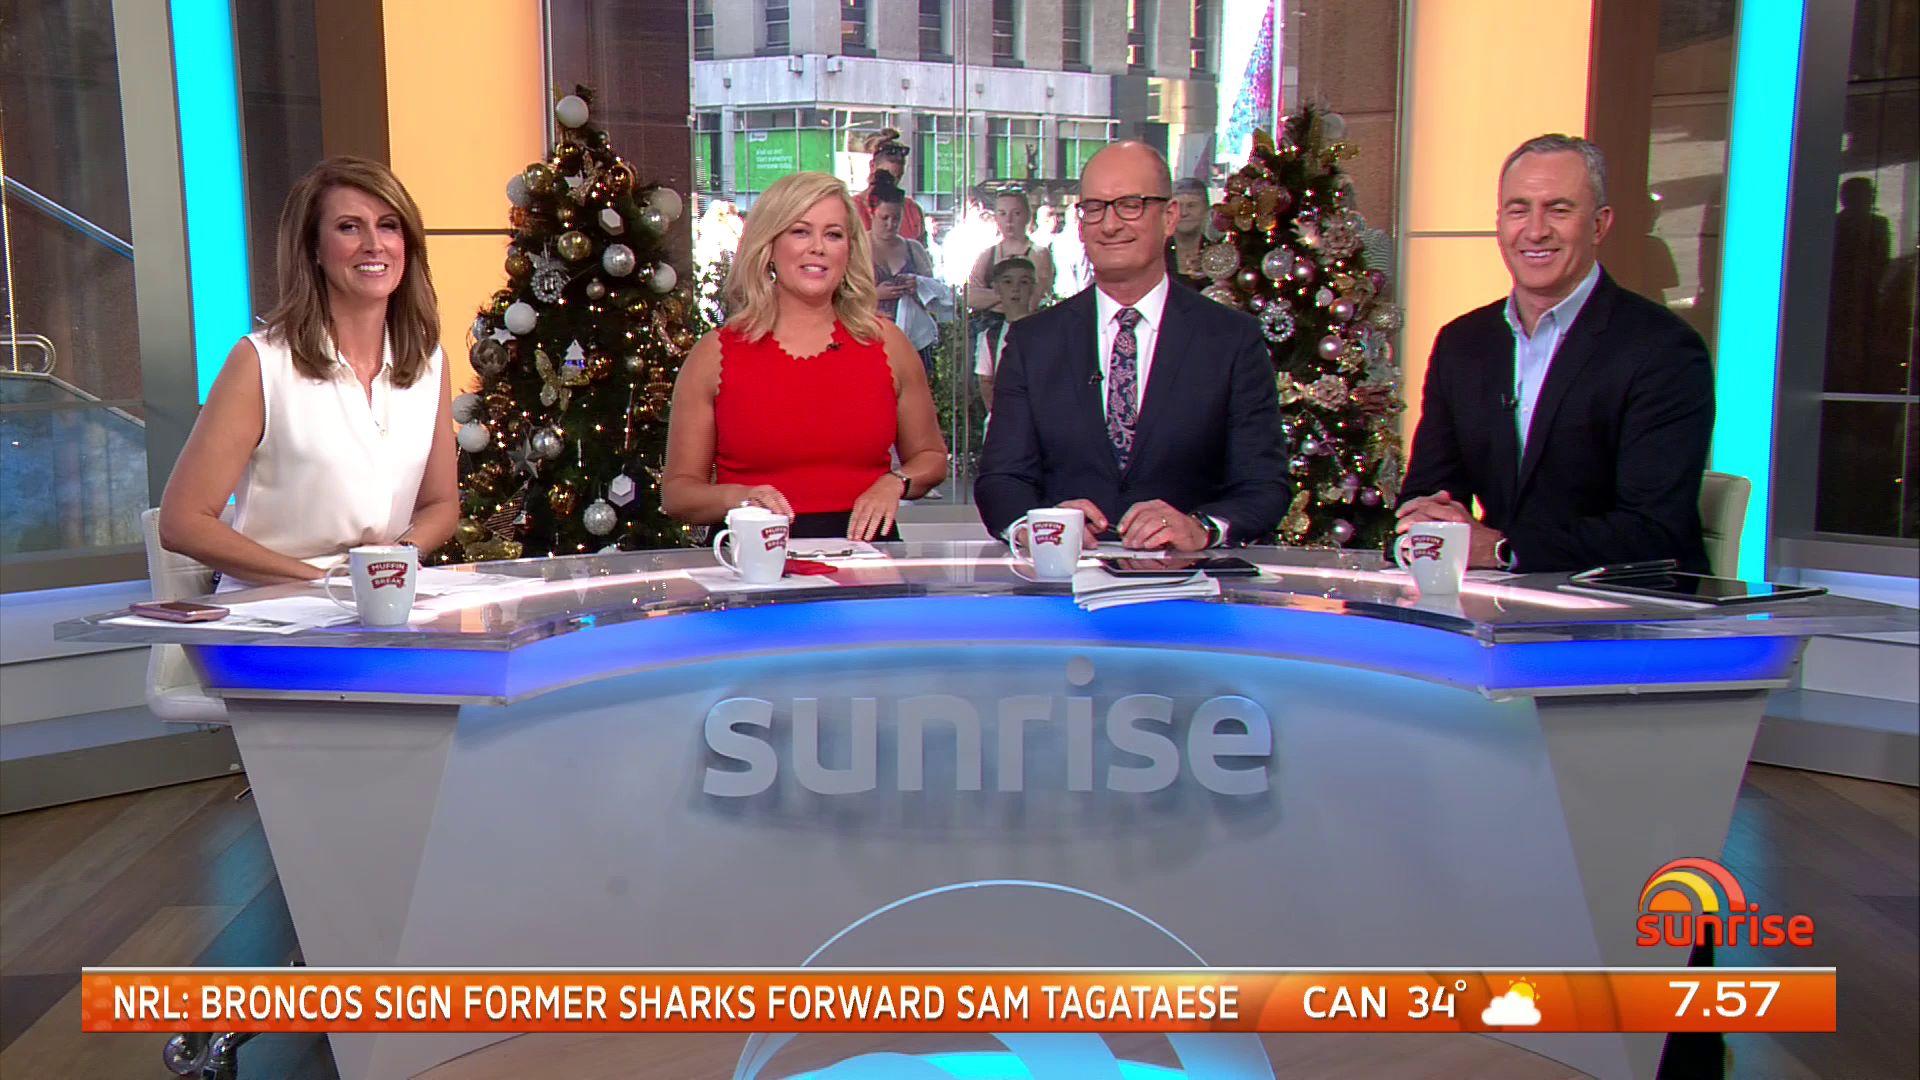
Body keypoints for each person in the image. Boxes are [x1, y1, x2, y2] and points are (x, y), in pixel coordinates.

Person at [1398, 134, 1714, 574]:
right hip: (1498, 598)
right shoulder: (1463, 343)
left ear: (1599, 225)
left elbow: (1654, 529)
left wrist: (1501, 550)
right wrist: (1425, 521)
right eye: (1519, 210)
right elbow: (1432, 491)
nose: (1535, 230)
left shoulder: (1664, 350)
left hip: (1629, 603)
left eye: (1558, 210)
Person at [974, 141, 1288, 550]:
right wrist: (1037, 527)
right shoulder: (1034, 342)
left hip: (1189, 578)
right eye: (1094, 208)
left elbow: (1263, 484)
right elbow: (1001, 479)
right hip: (1066, 575)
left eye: (1130, 205)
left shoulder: (1230, 339)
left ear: (1169, 216)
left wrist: (1202, 528)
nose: (1109, 225)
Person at [157, 156, 456, 586]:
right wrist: (323, 582)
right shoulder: (260, 362)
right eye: (349, 227)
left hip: (382, 596)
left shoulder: (429, 363)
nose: (374, 244)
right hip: (276, 606)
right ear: (313, 249)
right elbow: (182, 522)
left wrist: (395, 560)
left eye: (388, 226)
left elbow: (440, 504)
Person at [662, 171, 948, 541]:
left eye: (834, 235)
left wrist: (896, 482)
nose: (818, 248)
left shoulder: (888, 344)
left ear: (849, 250)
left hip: (866, 556)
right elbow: (679, 493)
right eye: (800, 232)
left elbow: (931, 458)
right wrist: (742, 498)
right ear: (769, 245)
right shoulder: (715, 355)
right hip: (755, 555)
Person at [866, 172, 952, 374]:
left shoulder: (913, 249)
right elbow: (838, 297)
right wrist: (874, 294)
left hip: (913, 342)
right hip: (870, 338)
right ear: (871, 213)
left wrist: (918, 287)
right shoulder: (854, 249)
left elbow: (934, 295)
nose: (890, 224)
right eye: (884, 218)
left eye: (896, 218)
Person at [967, 188, 1056, 310]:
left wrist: (989, 297)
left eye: (1016, 213)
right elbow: (970, 297)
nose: (1009, 220)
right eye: (1002, 214)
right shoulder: (987, 254)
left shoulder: (1039, 254)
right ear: (996, 217)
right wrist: (1010, 296)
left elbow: (1032, 301)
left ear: (1027, 216)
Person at [973, 255, 1038, 412]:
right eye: (1008, 282)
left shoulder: (1047, 332)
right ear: (996, 288)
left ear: (1033, 287)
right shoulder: (990, 337)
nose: (1015, 289)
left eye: (1024, 282)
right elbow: (986, 381)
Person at [852, 129, 926, 243]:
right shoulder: (851, 208)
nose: (889, 186)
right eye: (885, 178)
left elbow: (922, 250)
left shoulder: (913, 210)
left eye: (897, 178)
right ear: (872, 166)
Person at [1165, 177, 1212, 290]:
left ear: (1206, 210)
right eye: (1178, 206)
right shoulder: (1154, 255)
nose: (1184, 213)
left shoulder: (1217, 256)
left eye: (1191, 205)